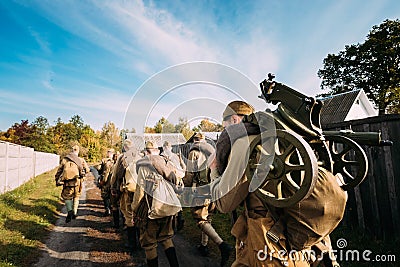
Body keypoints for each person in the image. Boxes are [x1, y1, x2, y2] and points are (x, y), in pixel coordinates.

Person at [209, 101, 344, 266]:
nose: (225, 130)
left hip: (270, 244)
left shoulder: (245, 143)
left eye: (225, 124)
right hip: (304, 236)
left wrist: (214, 171)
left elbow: (224, 203)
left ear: (235, 120)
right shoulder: (284, 135)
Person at [184, 132, 232, 266]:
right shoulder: (213, 149)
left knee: (199, 219)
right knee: (208, 217)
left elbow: (189, 174)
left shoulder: (194, 152)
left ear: (194, 140)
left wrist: (184, 187)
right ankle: (203, 245)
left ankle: (222, 245)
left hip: (201, 189)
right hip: (214, 187)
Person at [132, 141, 180, 267]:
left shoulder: (143, 166)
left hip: (151, 211)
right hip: (168, 207)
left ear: (146, 152)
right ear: (157, 151)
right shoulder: (167, 162)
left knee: (149, 244)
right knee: (166, 238)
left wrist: (135, 210)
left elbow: (139, 193)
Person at [111, 139, 141, 255]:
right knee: (138, 214)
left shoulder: (123, 158)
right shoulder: (140, 156)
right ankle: (141, 241)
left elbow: (116, 174)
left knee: (128, 215)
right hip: (139, 191)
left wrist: (114, 187)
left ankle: (132, 244)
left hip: (127, 190)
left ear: (124, 147)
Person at [55, 144, 90, 223]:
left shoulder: (65, 159)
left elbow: (59, 170)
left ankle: (69, 211)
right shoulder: (81, 160)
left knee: (67, 197)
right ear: (78, 151)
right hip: (77, 182)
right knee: (76, 196)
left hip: (67, 182)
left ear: (71, 150)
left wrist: (57, 179)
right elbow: (87, 170)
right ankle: (74, 212)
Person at [161, 141, 186, 231]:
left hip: (169, 183)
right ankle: (178, 218)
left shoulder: (162, 157)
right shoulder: (175, 156)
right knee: (177, 201)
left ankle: (173, 224)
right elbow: (183, 169)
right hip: (178, 182)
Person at [98, 148, 115, 216]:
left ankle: (107, 209)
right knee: (112, 196)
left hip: (106, 181)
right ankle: (111, 209)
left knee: (105, 195)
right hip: (113, 181)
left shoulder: (104, 160)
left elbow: (98, 168)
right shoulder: (116, 161)